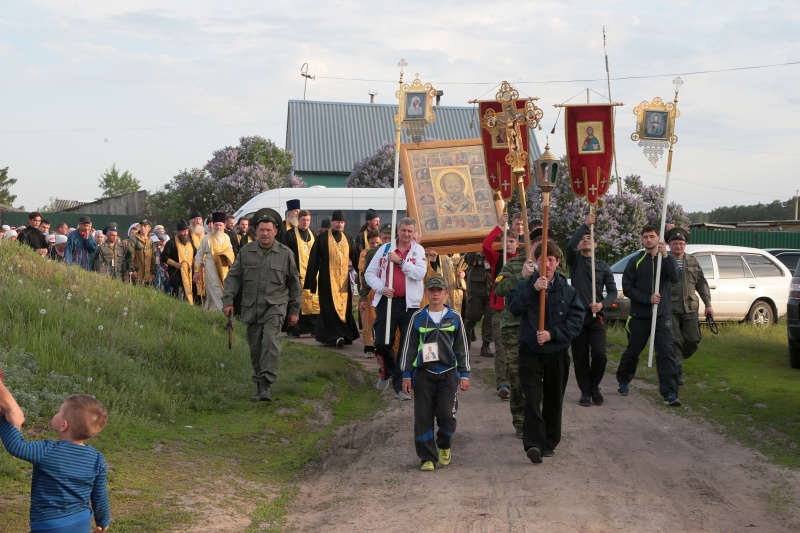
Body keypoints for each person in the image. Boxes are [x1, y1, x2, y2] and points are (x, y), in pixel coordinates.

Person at [507, 242, 584, 463]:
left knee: (553, 399)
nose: (547, 264)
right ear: (536, 261)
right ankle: (533, 444)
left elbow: (576, 322)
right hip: (530, 352)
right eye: (543, 259)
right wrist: (533, 291)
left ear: (558, 263)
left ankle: (549, 442)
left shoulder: (568, 291)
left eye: (552, 260)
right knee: (532, 398)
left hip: (556, 352)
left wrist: (553, 334)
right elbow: (513, 308)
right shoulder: (524, 286)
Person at [0, 384, 111, 533]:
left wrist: (3, 419)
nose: (56, 413)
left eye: (59, 412)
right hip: (81, 521)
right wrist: (103, 520)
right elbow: (99, 493)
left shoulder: (47, 450)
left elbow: (18, 447)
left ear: (63, 425)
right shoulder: (97, 459)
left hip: (49, 524)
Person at [222, 214, 301, 402]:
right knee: (256, 347)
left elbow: (294, 284)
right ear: (255, 231)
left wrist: (295, 310)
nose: (265, 234)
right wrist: (228, 301)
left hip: (276, 306)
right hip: (251, 307)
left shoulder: (285, 254)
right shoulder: (246, 251)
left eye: (269, 230)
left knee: (270, 341)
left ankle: (266, 383)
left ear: (275, 231)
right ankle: (259, 383)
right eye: (261, 230)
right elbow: (233, 277)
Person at [400, 275, 470, 471]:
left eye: (439, 290)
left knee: (447, 415)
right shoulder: (418, 318)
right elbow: (409, 348)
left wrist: (464, 374)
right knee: (423, 417)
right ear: (426, 293)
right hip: (423, 375)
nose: (436, 293)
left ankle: (445, 444)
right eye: (431, 290)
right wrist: (406, 374)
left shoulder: (454, 318)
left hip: (448, 374)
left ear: (446, 293)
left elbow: (462, 348)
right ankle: (427, 457)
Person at [615, 225, 682, 406]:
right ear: (642, 240)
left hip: (662, 315)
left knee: (666, 352)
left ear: (658, 238)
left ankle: (670, 393)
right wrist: (647, 298)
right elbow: (628, 288)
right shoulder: (636, 261)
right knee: (633, 350)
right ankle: (623, 381)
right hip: (640, 315)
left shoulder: (666, 259)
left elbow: (675, 278)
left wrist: (666, 256)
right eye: (645, 237)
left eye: (652, 236)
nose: (649, 240)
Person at [364, 217, 427, 399]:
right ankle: (387, 371)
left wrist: (400, 261)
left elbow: (419, 273)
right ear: (398, 231)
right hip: (387, 301)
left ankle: (400, 385)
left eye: (410, 231)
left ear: (414, 233)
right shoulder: (385, 249)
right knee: (382, 341)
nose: (406, 234)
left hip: (410, 305)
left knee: (407, 345)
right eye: (403, 231)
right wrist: (382, 288)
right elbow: (369, 273)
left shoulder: (418, 250)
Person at [566, 213, 618, 407]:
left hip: (596, 318)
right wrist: (585, 225)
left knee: (600, 355)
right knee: (580, 358)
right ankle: (585, 392)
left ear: (596, 246)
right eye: (583, 239)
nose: (585, 241)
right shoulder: (575, 262)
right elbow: (569, 245)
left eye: (590, 239)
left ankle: (594, 385)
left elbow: (613, 292)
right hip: (577, 317)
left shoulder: (603, 267)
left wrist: (602, 304)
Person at [304, 210, 360, 348]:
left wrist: (363, 278)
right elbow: (314, 260)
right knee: (329, 309)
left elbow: (357, 259)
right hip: (326, 281)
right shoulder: (322, 238)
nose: (339, 225)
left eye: (341, 222)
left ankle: (344, 335)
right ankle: (335, 336)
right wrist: (311, 282)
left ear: (344, 224)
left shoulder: (348, 238)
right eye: (337, 222)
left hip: (344, 283)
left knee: (344, 308)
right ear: (332, 223)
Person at [665, 226, 713, 385]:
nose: (678, 246)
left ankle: (675, 358)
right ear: (669, 245)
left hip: (690, 307)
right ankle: (677, 370)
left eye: (681, 244)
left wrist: (708, 304)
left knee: (693, 339)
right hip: (670, 308)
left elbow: (702, 283)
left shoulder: (692, 261)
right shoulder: (664, 260)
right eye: (675, 243)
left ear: (685, 245)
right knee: (675, 340)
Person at [482, 212, 519, 400]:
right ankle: (502, 384)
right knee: (501, 346)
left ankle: (516, 382)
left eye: (512, 241)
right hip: (498, 308)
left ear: (517, 243)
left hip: (517, 309)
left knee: (517, 348)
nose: (509, 244)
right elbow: (485, 245)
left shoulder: (523, 259)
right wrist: (499, 226)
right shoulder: (496, 258)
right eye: (506, 241)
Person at [283, 209, 320, 337]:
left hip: (312, 274)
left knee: (313, 299)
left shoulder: (314, 235)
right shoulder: (289, 234)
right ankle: (295, 329)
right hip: (295, 273)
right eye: (303, 220)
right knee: (295, 300)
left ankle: (314, 328)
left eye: (308, 220)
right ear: (298, 220)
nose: (305, 222)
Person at [194, 212, 235, 312]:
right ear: (213, 225)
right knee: (215, 289)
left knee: (222, 289)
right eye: (216, 225)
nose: (218, 227)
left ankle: (210, 312)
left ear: (224, 226)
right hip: (211, 266)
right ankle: (223, 312)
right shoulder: (206, 238)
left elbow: (231, 251)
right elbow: (199, 255)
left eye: (220, 225)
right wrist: (196, 271)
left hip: (224, 267)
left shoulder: (227, 237)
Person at [462, 251, 494, 357]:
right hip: (476, 287)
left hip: (492, 287)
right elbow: (468, 260)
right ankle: (466, 335)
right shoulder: (473, 248)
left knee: (490, 318)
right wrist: (476, 251)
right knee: (473, 315)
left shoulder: (495, 248)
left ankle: (485, 345)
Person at [162, 220, 196, 303]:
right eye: (183, 231)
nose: (185, 233)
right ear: (178, 232)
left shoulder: (190, 242)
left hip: (189, 273)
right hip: (176, 273)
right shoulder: (171, 243)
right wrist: (175, 264)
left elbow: (196, 254)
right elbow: (164, 256)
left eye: (186, 231)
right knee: (177, 296)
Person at [125, 218, 156, 285]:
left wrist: (153, 273)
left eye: (145, 226)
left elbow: (153, 258)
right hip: (137, 275)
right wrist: (132, 270)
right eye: (141, 225)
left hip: (148, 277)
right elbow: (129, 256)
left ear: (149, 228)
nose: (142, 227)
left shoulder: (150, 242)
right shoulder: (133, 239)